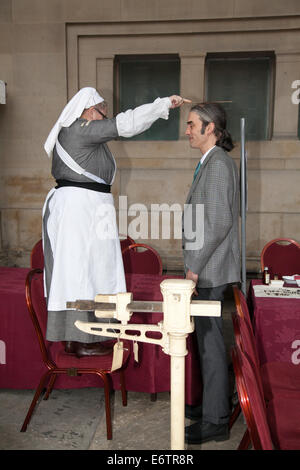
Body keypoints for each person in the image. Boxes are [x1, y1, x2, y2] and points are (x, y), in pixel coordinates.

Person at [43, 87, 190, 358]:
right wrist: (163, 104)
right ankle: (80, 338)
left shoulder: (80, 130)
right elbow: (126, 123)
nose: (106, 115)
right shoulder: (81, 128)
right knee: (80, 274)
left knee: (90, 271)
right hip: (80, 210)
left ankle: (84, 335)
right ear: (90, 110)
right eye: (104, 110)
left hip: (86, 208)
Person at [182, 102, 240, 444]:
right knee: (207, 343)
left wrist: (194, 268)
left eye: (192, 124)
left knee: (211, 346)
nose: (187, 130)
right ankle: (211, 405)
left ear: (211, 129)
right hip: (209, 268)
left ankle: (216, 420)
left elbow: (218, 223)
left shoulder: (217, 164)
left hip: (210, 271)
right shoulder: (211, 163)